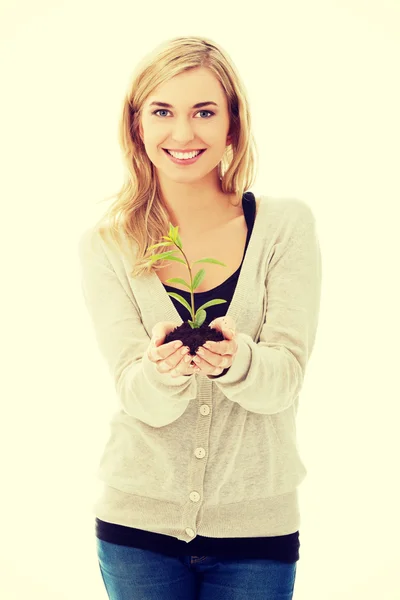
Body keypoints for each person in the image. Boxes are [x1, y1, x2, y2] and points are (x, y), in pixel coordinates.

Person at [78, 35, 322, 600]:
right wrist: (162, 371)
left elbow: (284, 380)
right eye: (162, 111)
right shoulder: (108, 245)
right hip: (135, 530)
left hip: (256, 533)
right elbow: (136, 394)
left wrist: (236, 362)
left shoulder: (285, 227)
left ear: (233, 125)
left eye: (204, 112)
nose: (183, 134)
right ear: (137, 125)